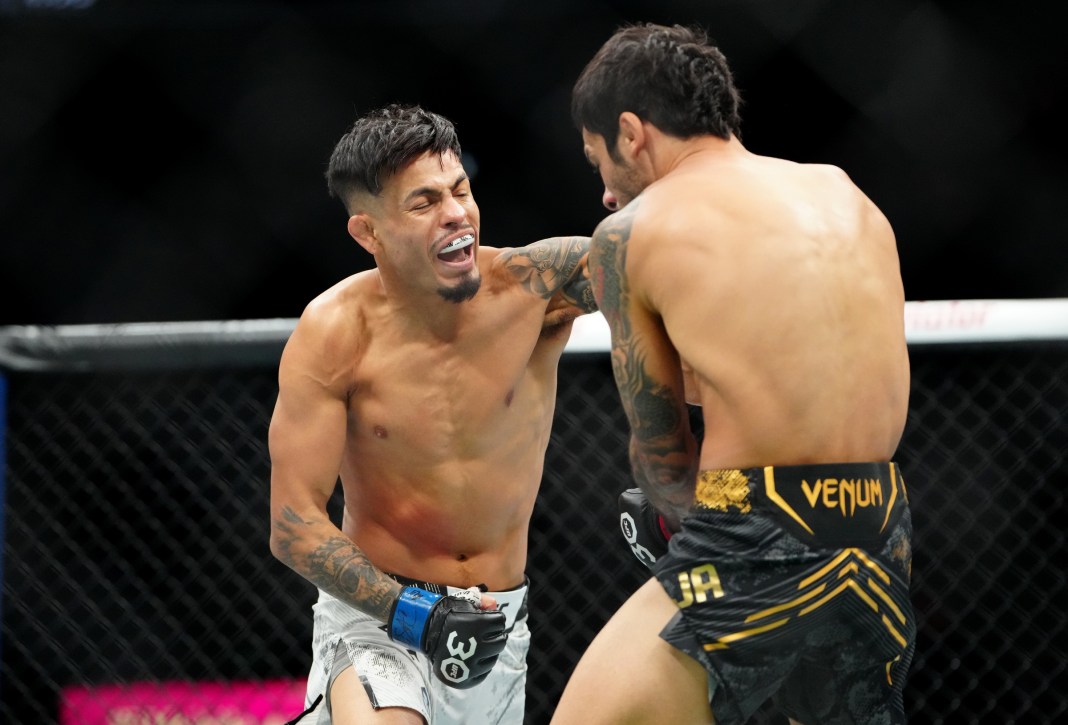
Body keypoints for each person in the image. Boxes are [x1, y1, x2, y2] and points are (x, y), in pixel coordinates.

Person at [551, 22, 915, 725]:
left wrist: (674, 514)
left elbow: (662, 455)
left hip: (753, 530)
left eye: (599, 162)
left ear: (631, 133)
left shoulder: (631, 232)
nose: (605, 192)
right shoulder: (843, 193)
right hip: (879, 530)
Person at [268, 103, 596, 725]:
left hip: (499, 630)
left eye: (460, 190)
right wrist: (415, 614)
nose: (455, 214)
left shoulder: (532, 285)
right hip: (378, 621)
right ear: (368, 233)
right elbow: (294, 524)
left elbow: (663, 271)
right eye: (423, 203)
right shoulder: (335, 331)